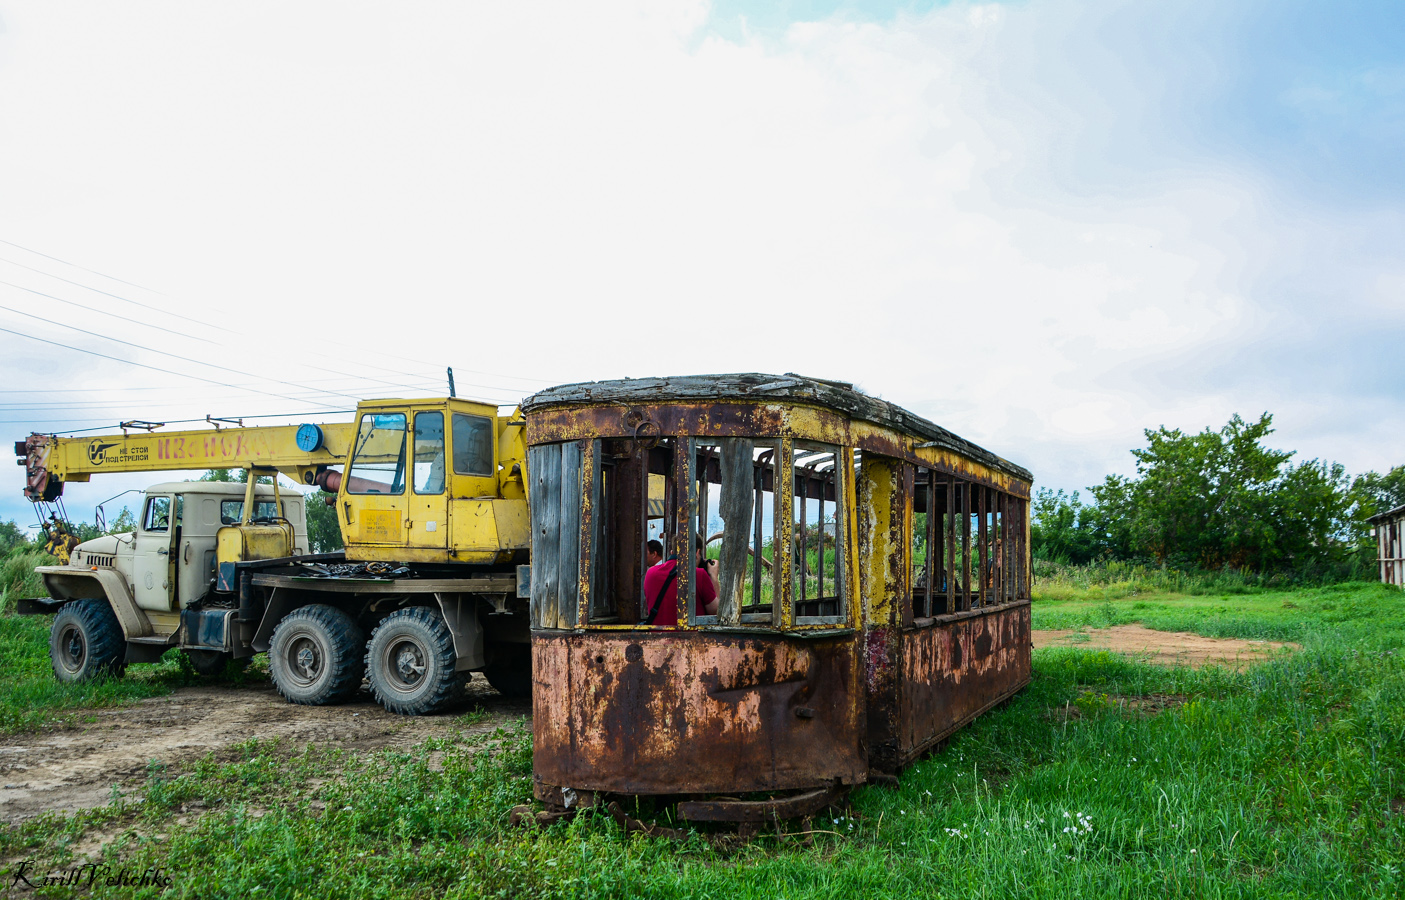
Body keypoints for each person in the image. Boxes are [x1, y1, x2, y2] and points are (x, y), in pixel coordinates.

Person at [643, 537, 719, 627]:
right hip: (691, 639)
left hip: (656, 638)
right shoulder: (699, 574)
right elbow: (716, 612)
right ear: (697, 553)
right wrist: (714, 576)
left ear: (672, 552)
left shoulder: (650, 573)